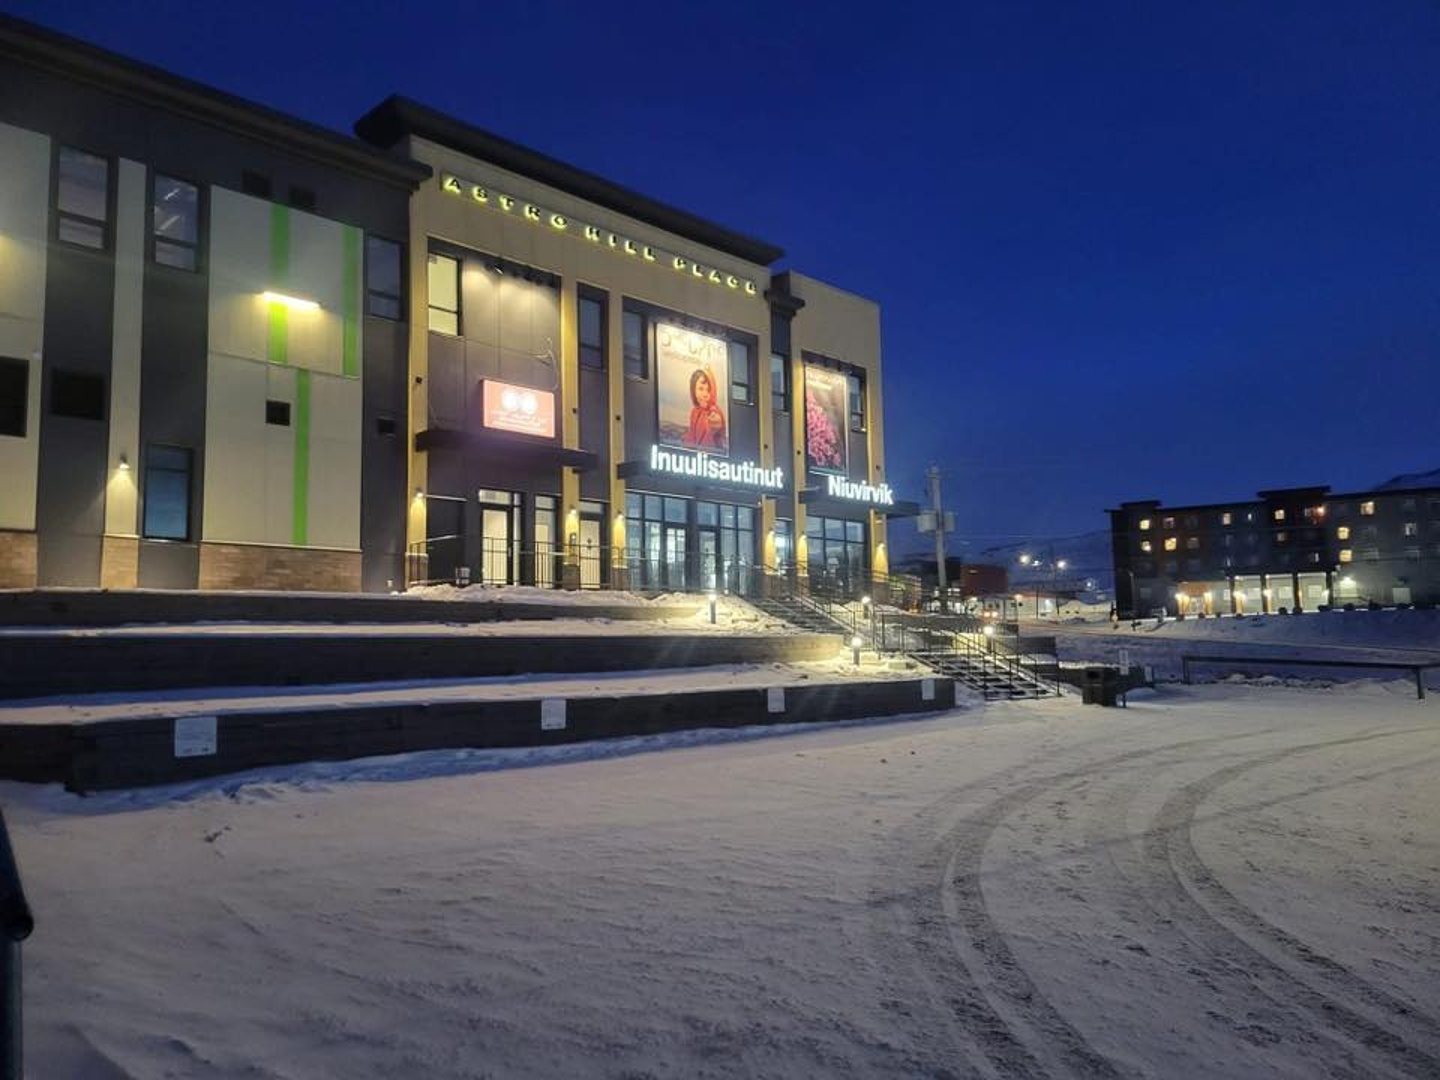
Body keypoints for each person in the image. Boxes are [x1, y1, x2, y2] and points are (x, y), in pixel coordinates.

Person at [685, 367, 726, 450]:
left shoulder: (714, 412)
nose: (705, 394)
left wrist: (716, 425)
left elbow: (716, 426)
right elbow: (690, 437)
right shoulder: (694, 412)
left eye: (709, 390)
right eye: (701, 389)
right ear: (693, 390)